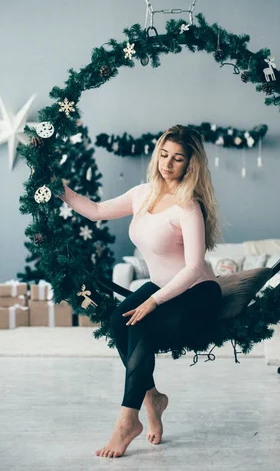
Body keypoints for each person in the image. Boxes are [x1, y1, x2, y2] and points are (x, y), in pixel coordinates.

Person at [58, 124, 224, 458]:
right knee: (119, 322)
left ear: (190, 164)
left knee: (142, 323)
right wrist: (60, 190)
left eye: (177, 158)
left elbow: (193, 268)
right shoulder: (142, 194)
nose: (168, 164)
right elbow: (97, 211)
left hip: (196, 291)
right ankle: (153, 398)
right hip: (162, 286)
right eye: (164, 154)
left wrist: (153, 300)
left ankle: (126, 421)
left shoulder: (188, 207)